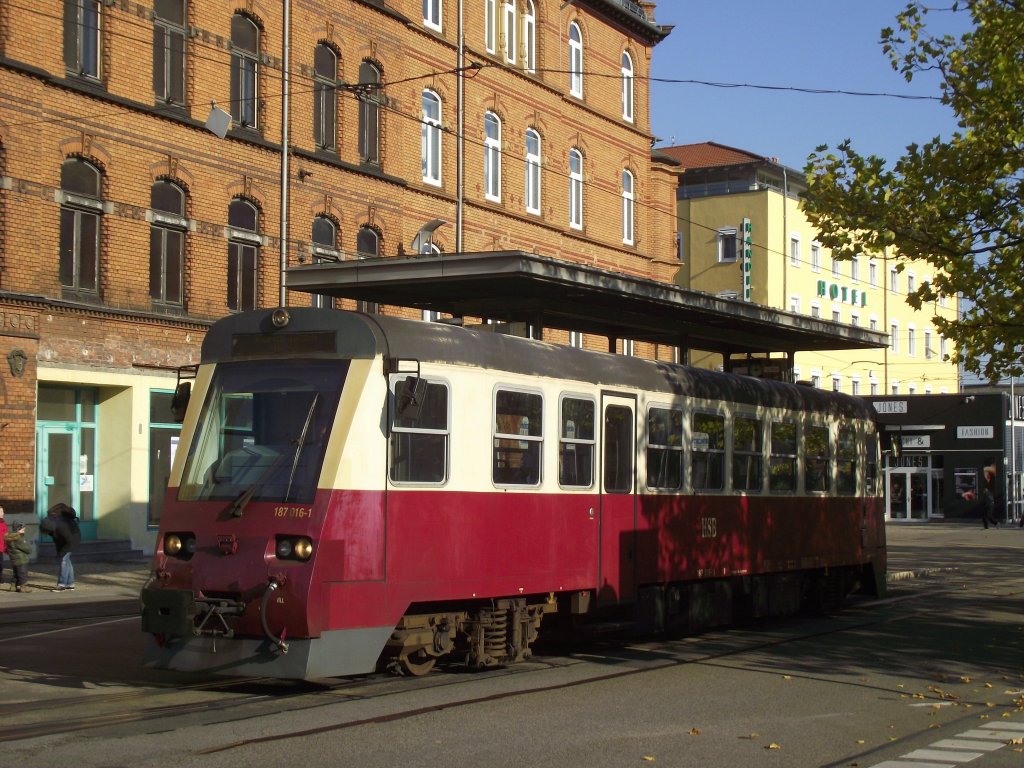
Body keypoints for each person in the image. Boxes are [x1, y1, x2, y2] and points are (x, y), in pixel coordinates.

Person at [39, 502, 80, 590]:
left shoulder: (61, 526)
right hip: (69, 540)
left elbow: (69, 540)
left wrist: (62, 552)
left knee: (64, 560)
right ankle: (70, 583)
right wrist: (59, 550)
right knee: (67, 560)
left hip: (72, 540)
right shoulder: (52, 524)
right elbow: (57, 539)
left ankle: (61, 584)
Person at [963, 460, 1001, 529]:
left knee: (988, 516)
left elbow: (989, 501)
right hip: (987, 505)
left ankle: (996, 523)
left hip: (988, 506)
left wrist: (988, 505)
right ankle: (986, 526)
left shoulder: (988, 493)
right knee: (984, 516)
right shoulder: (988, 493)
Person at [4, 522, 32, 592]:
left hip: (14, 559)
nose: (24, 531)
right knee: (23, 573)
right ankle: (23, 587)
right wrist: (25, 543)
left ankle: (13, 586)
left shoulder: (10, 538)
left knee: (16, 574)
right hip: (21, 559)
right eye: (23, 530)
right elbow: (28, 550)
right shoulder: (18, 539)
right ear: (18, 529)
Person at [0, 505, 7, 587]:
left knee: (1, 565)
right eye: (1, 511)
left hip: (1, 548)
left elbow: (6, 535)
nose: (3, 513)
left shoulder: (3, 523)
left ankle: (0, 579)